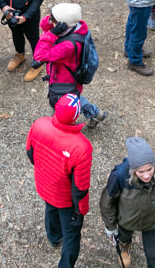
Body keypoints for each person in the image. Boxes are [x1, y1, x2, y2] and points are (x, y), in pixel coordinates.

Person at [25, 94, 92, 268]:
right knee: (72, 235)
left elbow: (30, 154)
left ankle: (54, 237)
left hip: (44, 186)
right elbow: (80, 188)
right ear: (76, 116)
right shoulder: (82, 147)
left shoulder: (39, 124)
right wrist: (81, 211)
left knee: (50, 209)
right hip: (65, 198)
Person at [100, 137, 155, 268]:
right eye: (141, 171)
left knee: (153, 253)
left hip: (154, 220)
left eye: (150, 169)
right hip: (127, 219)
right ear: (133, 169)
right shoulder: (119, 176)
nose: (146, 176)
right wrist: (110, 226)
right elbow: (107, 202)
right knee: (124, 237)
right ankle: (124, 247)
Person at [34, 3, 107, 128]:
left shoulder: (68, 45)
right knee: (72, 98)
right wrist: (51, 21)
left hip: (63, 80)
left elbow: (40, 55)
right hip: (68, 78)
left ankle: (63, 128)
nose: (50, 20)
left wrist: (51, 33)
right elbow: (44, 25)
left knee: (63, 104)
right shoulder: (75, 25)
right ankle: (95, 113)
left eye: (53, 19)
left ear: (62, 24)